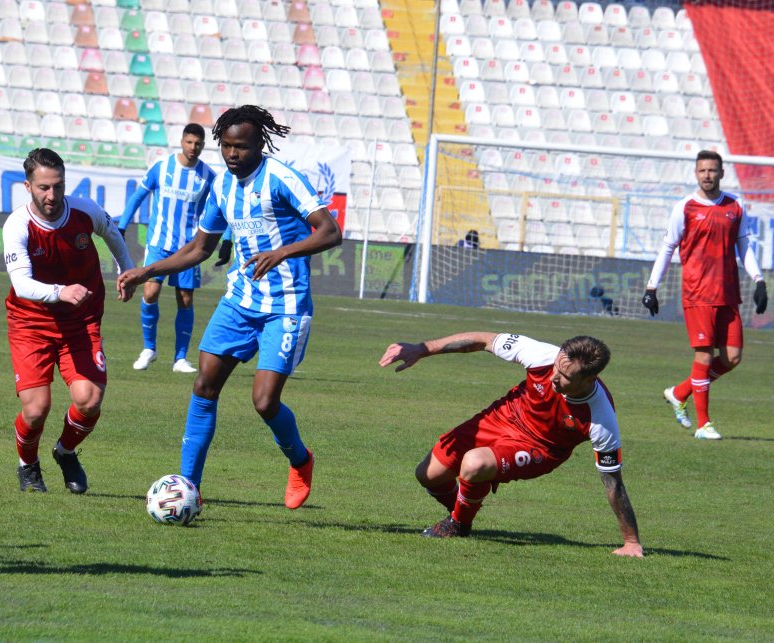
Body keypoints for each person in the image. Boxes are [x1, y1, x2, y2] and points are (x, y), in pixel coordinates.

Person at [117, 105, 342, 509]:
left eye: (242, 147)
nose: (233, 154)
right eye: (226, 146)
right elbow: (200, 248)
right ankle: (188, 488)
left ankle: (300, 459)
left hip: (285, 306)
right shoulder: (220, 186)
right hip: (239, 301)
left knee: (264, 401)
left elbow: (330, 231)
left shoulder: (282, 179)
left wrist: (282, 252)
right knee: (204, 385)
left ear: (260, 146)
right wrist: (146, 271)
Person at [379, 332, 643, 557]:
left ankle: (458, 525)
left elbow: (613, 482)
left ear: (589, 379)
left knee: (474, 464)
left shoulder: (601, 417)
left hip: (540, 448)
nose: (554, 377)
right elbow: (483, 340)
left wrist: (631, 542)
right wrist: (422, 349)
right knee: (427, 475)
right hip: (502, 417)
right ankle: (463, 508)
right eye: (556, 367)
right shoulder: (541, 355)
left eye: (565, 376)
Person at [3, 148, 134, 494]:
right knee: (36, 410)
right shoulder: (17, 225)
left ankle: (65, 451)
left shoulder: (84, 210)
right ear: (28, 187)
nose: (52, 195)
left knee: (89, 400)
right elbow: (22, 284)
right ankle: (28, 465)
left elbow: (112, 233)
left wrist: (127, 270)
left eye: (58, 186)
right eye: (43, 187)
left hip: (81, 321)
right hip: (31, 324)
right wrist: (61, 291)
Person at [641, 150, 767, 440]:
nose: (707, 175)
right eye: (702, 171)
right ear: (696, 174)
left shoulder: (735, 205)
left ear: (721, 173)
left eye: (712, 170)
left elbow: (744, 246)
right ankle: (704, 424)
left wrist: (759, 280)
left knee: (732, 357)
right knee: (705, 356)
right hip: (698, 293)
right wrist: (651, 287)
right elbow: (668, 248)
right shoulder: (684, 207)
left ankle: (680, 392)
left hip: (728, 293)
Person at [116, 124, 217, 374]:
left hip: (189, 248)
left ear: (203, 146)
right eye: (189, 142)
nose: (193, 147)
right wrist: (122, 226)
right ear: (182, 141)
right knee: (150, 292)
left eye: (198, 144)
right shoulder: (161, 168)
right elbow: (138, 197)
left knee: (185, 299)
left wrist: (225, 240)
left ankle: (180, 359)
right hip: (159, 244)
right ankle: (149, 349)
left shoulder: (208, 176)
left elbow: (219, 208)